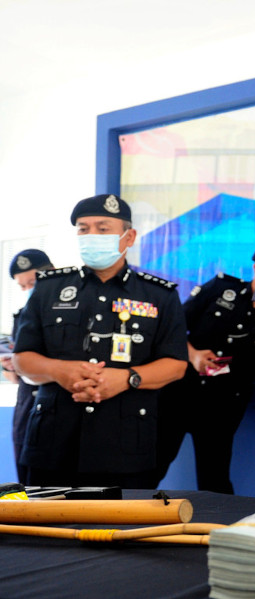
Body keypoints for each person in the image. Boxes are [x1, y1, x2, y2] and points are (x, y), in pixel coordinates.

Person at [12, 194, 187, 488]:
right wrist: (59, 371)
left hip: (126, 450)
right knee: (43, 533)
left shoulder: (159, 295)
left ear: (128, 236)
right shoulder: (48, 289)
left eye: (103, 229)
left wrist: (127, 378)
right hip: (52, 446)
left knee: (122, 532)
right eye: (83, 229)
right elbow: (22, 358)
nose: (91, 236)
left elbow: (176, 364)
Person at [154, 244, 255, 493]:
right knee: (152, 466)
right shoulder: (221, 288)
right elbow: (171, 329)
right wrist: (193, 355)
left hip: (223, 404)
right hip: (180, 393)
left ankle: (214, 530)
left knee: (214, 478)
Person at [3, 249, 54, 482]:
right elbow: (16, 377)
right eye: (22, 286)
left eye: (31, 283)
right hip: (26, 405)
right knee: (26, 482)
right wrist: (10, 367)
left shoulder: (69, 312)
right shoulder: (22, 316)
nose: (27, 290)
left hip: (54, 403)